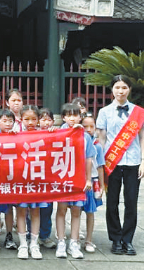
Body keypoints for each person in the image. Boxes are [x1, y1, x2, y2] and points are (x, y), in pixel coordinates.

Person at [96, 75, 144, 256]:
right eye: (117, 87)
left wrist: (143, 160)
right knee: (112, 202)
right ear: (112, 90)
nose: (120, 91)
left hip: (133, 162)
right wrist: (100, 164)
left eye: (124, 87)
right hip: (112, 162)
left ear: (129, 89)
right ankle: (116, 239)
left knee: (131, 202)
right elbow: (101, 139)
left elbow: (142, 137)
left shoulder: (138, 112)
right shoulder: (104, 112)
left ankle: (128, 240)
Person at [55, 103, 95, 260]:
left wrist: (88, 179)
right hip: (62, 178)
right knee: (61, 210)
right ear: (63, 117)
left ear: (80, 117)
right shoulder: (58, 133)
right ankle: (60, 242)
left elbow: (88, 159)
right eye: (68, 115)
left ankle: (74, 242)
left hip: (78, 178)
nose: (72, 118)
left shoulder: (85, 136)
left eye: (75, 115)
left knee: (76, 211)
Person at [14, 106, 46, 260]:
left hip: (37, 178)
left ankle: (34, 243)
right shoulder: (15, 134)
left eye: (34, 119)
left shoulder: (44, 134)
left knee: (35, 211)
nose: (30, 122)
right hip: (21, 178)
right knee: (21, 211)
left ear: (39, 119)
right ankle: (22, 244)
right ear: (20, 119)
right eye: (26, 119)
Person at [0, 108, 16, 251]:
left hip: (10, 178)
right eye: (4, 121)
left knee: (9, 208)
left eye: (10, 121)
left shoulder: (17, 136)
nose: (8, 124)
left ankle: (9, 235)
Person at [82, 115, 105, 254]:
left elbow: (101, 166)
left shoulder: (97, 146)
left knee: (90, 212)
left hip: (92, 180)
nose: (89, 129)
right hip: (79, 180)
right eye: (85, 126)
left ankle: (89, 240)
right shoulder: (77, 142)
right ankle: (75, 237)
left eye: (92, 126)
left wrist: (102, 185)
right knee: (75, 210)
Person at [36, 107, 57, 250]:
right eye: (43, 119)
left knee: (47, 208)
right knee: (32, 209)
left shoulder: (56, 133)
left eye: (49, 120)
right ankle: (32, 235)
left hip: (49, 178)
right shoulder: (31, 134)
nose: (46, 122)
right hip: (33, 177)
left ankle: (45, 235)